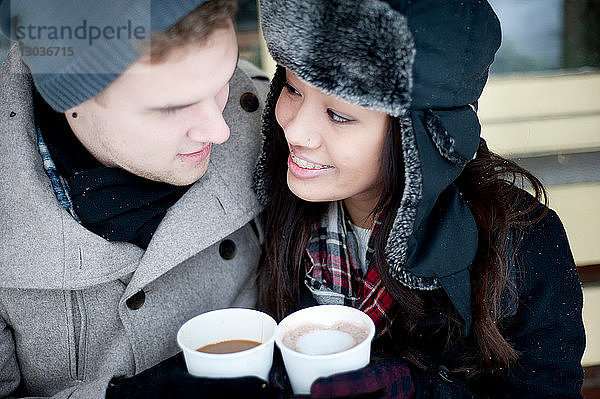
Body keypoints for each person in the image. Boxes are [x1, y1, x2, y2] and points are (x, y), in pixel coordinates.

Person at [254, 0, 586, 397]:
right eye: (292, 88)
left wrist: (419, 390)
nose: (295, 131)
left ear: (420, 136)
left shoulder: (524, 241)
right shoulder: (274, 205)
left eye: (339, 115)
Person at [0, 0, 270, 397]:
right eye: (173, 108)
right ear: (72, 98)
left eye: (223, 82)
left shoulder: (277, 121)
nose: (220, 130)